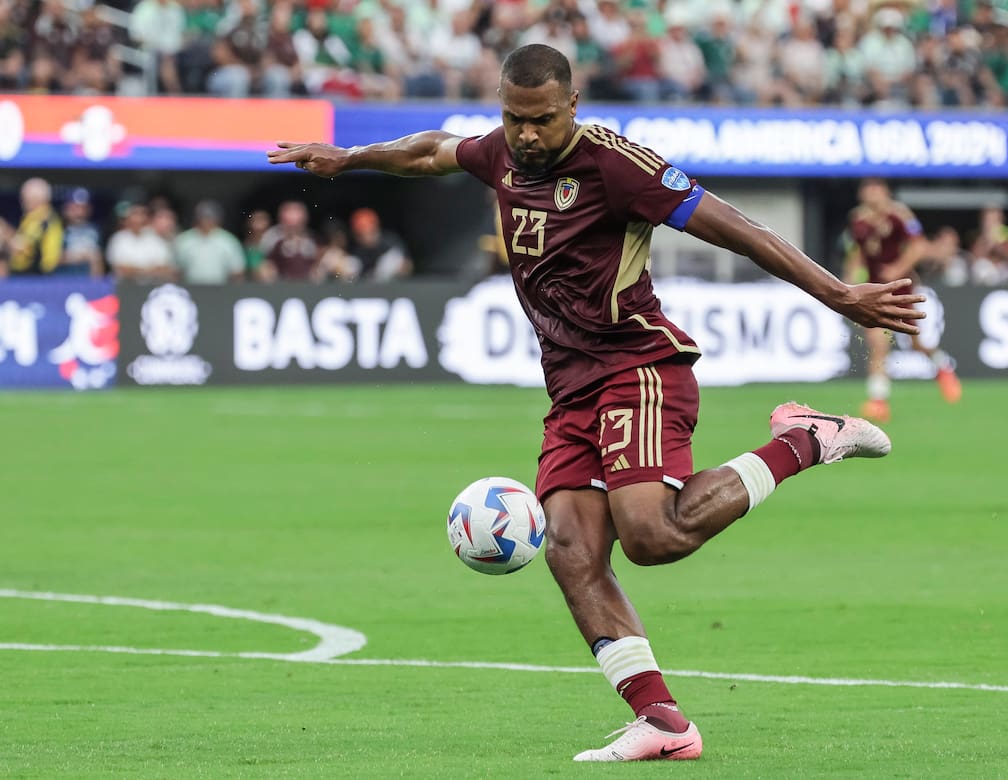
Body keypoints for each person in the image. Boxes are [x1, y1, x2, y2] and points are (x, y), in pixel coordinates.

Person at [268, 44, 923, 763]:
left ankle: (805, 438)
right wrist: (349, 156)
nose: (526, 135)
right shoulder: (503, 155)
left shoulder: (617, 166)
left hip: (637, 366)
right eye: (514, 119)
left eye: (542, 120)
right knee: (573, 548)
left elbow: (739, 228)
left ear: (572, 106)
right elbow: (430, 152)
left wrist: (837, 293)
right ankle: (666, 723)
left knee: (651, 537)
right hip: (570, 385)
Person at [842, 178, 961, 423]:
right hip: (876, 290)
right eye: (866, 190)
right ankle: (878, 401)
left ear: (885, 192)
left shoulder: (900, 215)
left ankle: (942, 366)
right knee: (878, 344)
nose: (870, 194)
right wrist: (849, 281)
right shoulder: (858, 220)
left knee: (916, 344)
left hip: (902, 288)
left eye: (874, 189)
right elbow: (857, 253)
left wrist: (897, 269)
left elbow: (918, 247)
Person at [3, 177, 63, 277]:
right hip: (27, 275)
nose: (21, 201)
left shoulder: (44, 219)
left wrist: (5, 231)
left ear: (37, 199)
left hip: (37, 277)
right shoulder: (30, 217)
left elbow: (24, 248)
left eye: (24, 197)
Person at [174, 200, 246, 284]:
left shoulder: (228, 241)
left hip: (221, 290)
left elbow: (237, 271)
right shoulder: (184, 240)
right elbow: (175, 270)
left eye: (210, 217)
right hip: (190, 288)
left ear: (218, 219)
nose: (206, 221)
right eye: (203, 217)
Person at [348, 207, 412, 282]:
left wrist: (396, 268)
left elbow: (408, 265)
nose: (366, 237)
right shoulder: (353, 248)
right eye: (361, 234)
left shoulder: (390, 241)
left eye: (370, 232)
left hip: (391, 288)